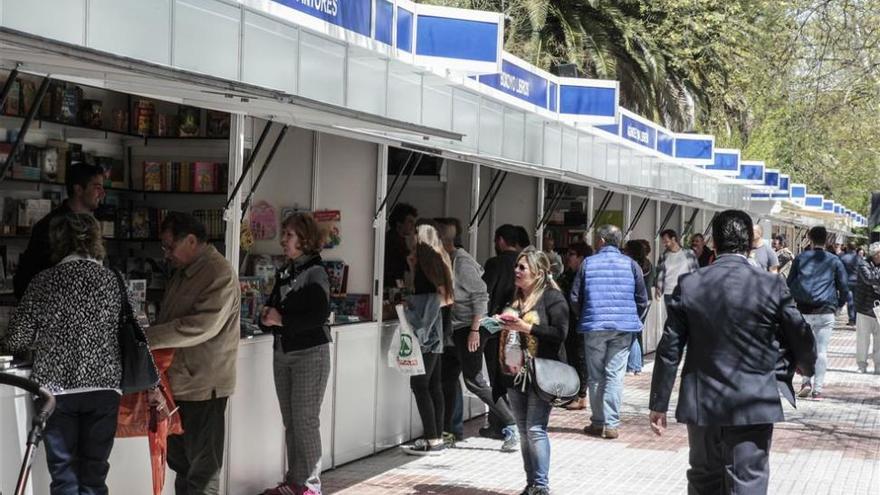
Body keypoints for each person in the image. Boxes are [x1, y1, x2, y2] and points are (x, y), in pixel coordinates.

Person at [648, 209, 816, 495]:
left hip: (703, 401)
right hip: (755, 399)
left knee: (704, 479)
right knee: (748, 480)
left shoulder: (691, 285)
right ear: (751, 242)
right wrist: (805, 365)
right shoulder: (770, 284)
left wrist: (658, 403)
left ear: (713, 243)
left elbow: (669, 348)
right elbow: (799, 330)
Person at [4, 213, 130, 494]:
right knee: (95, 476)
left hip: (56, 392)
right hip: (104, 388)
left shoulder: (44, 281)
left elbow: (16, 339)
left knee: (64, 477)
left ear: (57, 242)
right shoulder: (114, 281)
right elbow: (132, 331)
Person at [146, 212, 240, 494]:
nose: (166, 254)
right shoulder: (182, 272)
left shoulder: (218, 272)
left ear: (190, 240)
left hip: (203, 386)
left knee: (203, 469)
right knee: (181, 464)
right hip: (177, 385)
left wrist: (148, 338)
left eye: (169, 247)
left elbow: (201, 326)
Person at [258, 213, 332, 495]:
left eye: (289, 235)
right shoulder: (286, 271)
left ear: (305, 239)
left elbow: (319, 314)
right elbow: (273, 307)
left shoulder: (316, 272)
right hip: (283, 352)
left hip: (310, 354)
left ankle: (311, 485)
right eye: (284, 234)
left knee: (305, 420)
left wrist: (281, 320)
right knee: (291, 421)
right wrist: (266, 316)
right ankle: (295, 480)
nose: (283, 240)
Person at [435, 219, 519, 451]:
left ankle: (513, 425)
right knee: (447, 379)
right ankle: (448, 432)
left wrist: (474, 330)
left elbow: (482, 296)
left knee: (474, 381)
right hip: (454, 328)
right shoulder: (446, 260)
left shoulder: (462, 263)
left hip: (469, 328)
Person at [496, 248, 568, 495]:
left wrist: (527, 327)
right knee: (524, 431)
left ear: (538, 273)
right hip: (514, 373)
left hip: (542, 373)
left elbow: (560, 333)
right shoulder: (513, 297)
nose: (516, 271)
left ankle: (541, 485)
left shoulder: (553, 298)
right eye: (516, 266)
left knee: (535, 429)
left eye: (522, 267)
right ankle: (531, 484)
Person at [570, 225, 648, 439]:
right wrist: (633, 318)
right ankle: (612, 424)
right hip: (623, 328)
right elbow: (642, 299)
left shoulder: (588, 263)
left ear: (602, 241)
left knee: (596, 376)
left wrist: (584, 315)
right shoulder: (631, 265)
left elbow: (575, 297)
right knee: (615, 375)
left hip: (594, 325)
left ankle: (597, 422)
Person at [13, 162, 105, 299]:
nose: (102, 193)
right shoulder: (49, 226)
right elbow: (25, 281)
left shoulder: (92, 226)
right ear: (78, 189)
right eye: (97, 187)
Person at [400, 223, 455, 456]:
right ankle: (436, 437)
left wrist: (416, 315)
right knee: (433, 385)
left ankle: (433, 437)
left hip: (428, 333)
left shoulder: (428, 257)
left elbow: (443, 297)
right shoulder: (438, 256)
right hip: (437, 332)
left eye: (414, 233)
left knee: (420, 384)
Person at [786, 226, 849, 401]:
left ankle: (806, 380)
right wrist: (839, 306)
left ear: (810, 239)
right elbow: (844, 286)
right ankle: (818, 389)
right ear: (826, 240)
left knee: (805, 348)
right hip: (826, 310)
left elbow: (789, 284)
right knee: (822, 351)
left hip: (804, 310)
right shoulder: (834, 260)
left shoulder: (800, 258)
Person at [480, 224, 523, 439]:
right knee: (513, 376)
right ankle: (516, 420)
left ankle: (501, 424)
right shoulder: (525, 264)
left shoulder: (495, 264)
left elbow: (484, 294)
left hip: (496, 330)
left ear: (501, 241)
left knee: (496, 378)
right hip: (520, 328)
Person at [559, 242, 592, 410]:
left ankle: (581, 396)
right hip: (568, 321)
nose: (567, 257)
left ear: (581, 257)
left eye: (571, 254)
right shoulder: (568, 274)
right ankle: (574, 393)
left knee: (579, 358)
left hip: (578, 322)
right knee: (572, 356)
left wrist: (579, 314)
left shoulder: (584, 275)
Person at [623, 239, 654, 375]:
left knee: (633, 332)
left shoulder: (633, 265)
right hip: (647, 299)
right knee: (637, 331)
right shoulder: (648, 264)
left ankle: (633, 365)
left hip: (637, 300)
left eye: (626, 250)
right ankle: (637, 364)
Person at [854, 242, 880, 374]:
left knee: (879, 339)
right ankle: (862, 365)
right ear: (876, 254)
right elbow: (870, 279)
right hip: (865, 307)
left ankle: (878, 366)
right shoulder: (863, 264)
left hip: (879, 309)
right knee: (863, 338)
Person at [655, 229, 699, 306]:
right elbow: (660, 275)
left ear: (673, 239)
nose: (664, 244)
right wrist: (658, 288)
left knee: (685, 317)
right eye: (663, 241)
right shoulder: (663, 256)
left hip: (685, 292)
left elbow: (695, 273)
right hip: (669, 293)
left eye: (666, 241)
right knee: (672, 317)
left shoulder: (689, 253)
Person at [384, 202, 418, 287]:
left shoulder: (398, 239)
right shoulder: (393, 241)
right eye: (410, 222)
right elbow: (409, 262)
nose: (413, 225)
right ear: (399, 223)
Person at [839, 242, 861, 326]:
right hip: (858, 282)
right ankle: (856, 318)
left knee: (850, 300)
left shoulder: (843, 257)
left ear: (848, 247)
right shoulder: (859, 258)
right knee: (856, 300)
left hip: (847, 281)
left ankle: (852, 319)